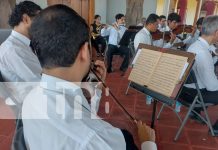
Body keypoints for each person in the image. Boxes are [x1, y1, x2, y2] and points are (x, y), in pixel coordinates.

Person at [22, 4, 157, 150]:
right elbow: (88, 130)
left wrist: (96, 90)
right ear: (85, 52)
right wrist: (148, 142)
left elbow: (83, 117)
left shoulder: (30, 99)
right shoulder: (99, 140)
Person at [180, 15, 218, 135]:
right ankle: (216, 128)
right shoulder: (203, 52)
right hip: (194, 95)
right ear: (216, 33)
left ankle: (194, 111)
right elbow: (212, 87)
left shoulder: (195, 45)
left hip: (184, 91)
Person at [0, 1, 42, 82]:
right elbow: (41, 82)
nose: (42, 25)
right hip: (33, 92)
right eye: (39, 20)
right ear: (26, 19)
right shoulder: (14, 50)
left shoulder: (24, 44)